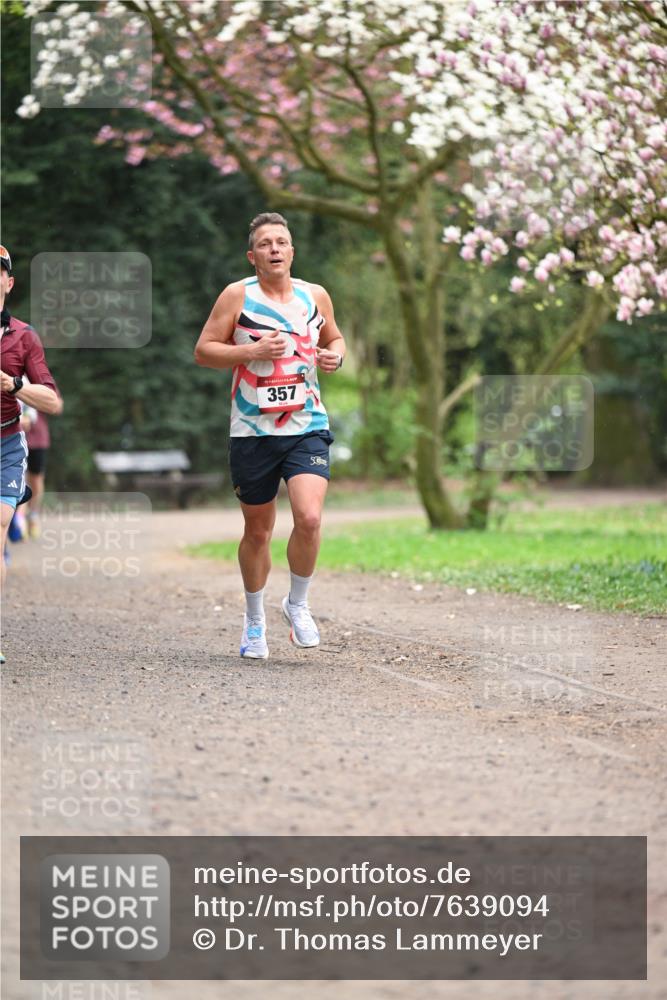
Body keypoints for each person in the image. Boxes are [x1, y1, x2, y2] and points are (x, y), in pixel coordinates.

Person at [195, 212, 346, 660]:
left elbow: (335, 340)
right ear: (252, 254)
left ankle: (297, 604)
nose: (275, 249)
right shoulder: (236, 295)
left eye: (282, 242)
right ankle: (255, 621)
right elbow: (204, 351)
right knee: (258, 532)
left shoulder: (314, 295)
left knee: (310, 517)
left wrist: (335, 357)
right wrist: (251, 350)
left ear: (292, 251)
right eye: (265, 243)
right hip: (252, 430)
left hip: (307, 424)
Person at [0, 244, 61, 661]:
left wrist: (16, 386)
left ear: (8, 282)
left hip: (5, 444)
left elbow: (52, 402)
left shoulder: (24, 336)